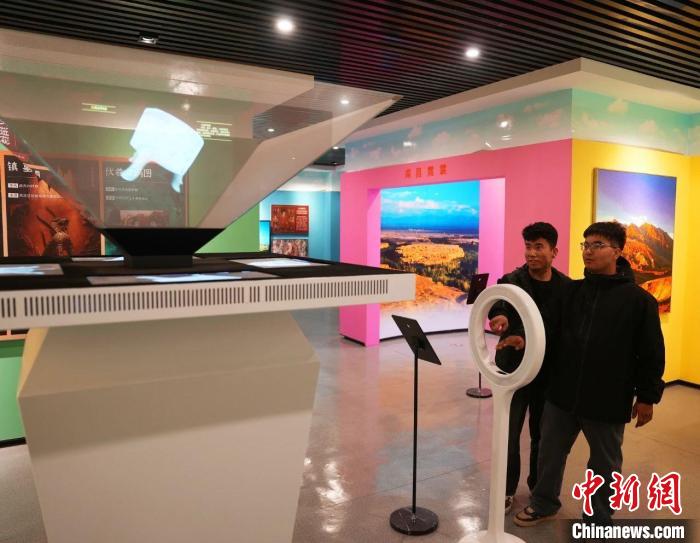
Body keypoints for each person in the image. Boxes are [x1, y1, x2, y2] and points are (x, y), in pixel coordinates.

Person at [514, 221, 665, 527]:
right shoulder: (571, 292)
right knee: (549, 453)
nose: (588, 252)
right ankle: (543, 503)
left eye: (598, 245)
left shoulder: (639, 302)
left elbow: (651, 354)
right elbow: (549, 332)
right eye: (586, 245)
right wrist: (524, 340)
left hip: (607, 398)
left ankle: (598, 519)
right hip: (562, 393)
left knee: (604, 464)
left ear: (617, 252)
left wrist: (647, 397)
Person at [488, 222, 571, 514]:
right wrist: (500, 318)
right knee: (508, 435)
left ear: (554, 251)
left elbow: (562, 330)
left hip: (547, 375)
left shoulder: (566, 288)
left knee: (543, 436)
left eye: (539, 247)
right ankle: (506, 490)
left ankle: (538, 489)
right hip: (513, 372)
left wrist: (527, 340)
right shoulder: (511, 281)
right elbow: (498, 306)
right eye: (528, 246)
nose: (532, 253)